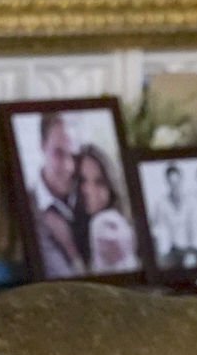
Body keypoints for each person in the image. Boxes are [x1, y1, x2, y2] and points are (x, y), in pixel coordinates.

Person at [27, 112, 89, 276]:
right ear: (42, 146)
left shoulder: (91, 195)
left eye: (75, 156)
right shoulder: (28, 205)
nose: (69, 167)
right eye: (58, 153)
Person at [74, 146, 139, 273]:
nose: (88, 190)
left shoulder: (105, 222)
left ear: (111, 186)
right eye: (82, 180)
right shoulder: (78, 225)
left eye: (99, 182)